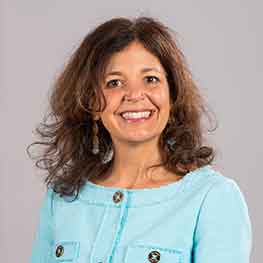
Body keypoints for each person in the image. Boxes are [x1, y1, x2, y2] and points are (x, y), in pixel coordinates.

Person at [27, 16, 252, 263]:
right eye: (114, 83)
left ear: (172, 94)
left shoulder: (212, 198)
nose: (134, 95)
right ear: (91, 102)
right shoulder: (61, 199)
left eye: (151, 79)